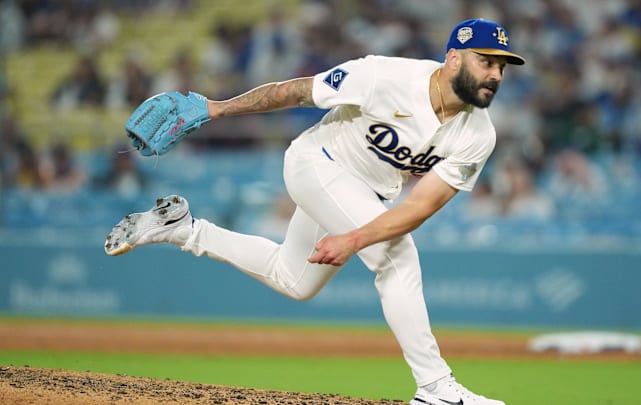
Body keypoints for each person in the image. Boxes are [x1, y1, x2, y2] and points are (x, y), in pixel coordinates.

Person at [105, 18, 525, 405]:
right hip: (317, 164)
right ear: (453, 58)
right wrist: (217, 108)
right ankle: (435, 387)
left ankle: (183, 229)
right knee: (397, 256)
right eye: (485, 61)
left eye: (502, 67)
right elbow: (296, 91)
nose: (495, 75)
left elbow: (421, 205)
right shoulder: (384, 75)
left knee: (295, 280)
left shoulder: (477, 134)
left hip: (369, 194)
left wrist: (354, 238)